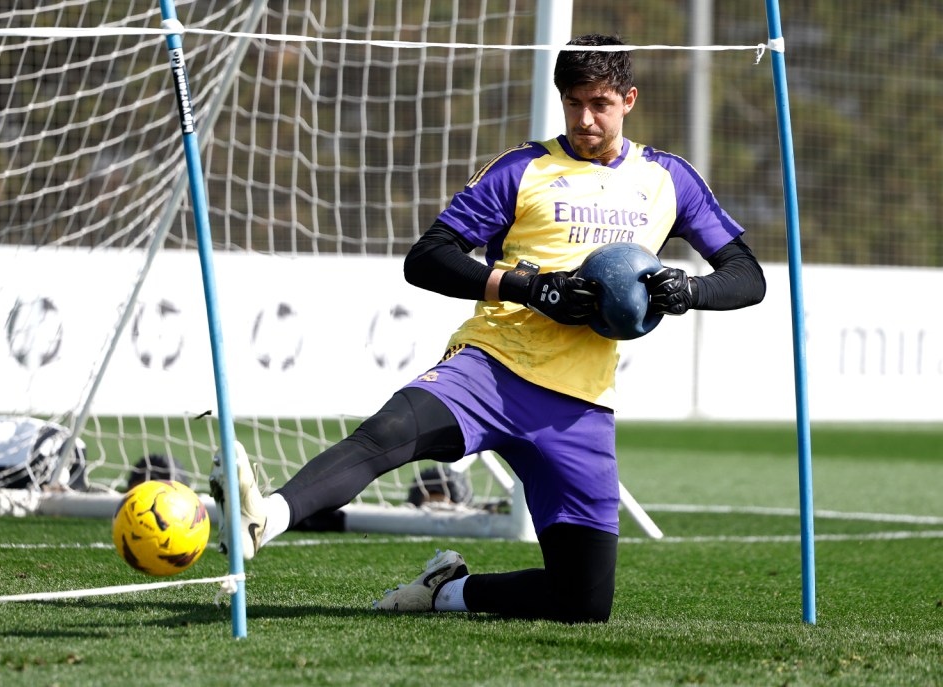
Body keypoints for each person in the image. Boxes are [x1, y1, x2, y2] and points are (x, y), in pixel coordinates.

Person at [210, 33, 765, 624]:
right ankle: (263, 518)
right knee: (386, 433)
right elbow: (427, 257)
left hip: (579, 406)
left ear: (628, 99)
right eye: (574, 103)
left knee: (583, 602)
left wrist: (688, 291)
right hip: (493, 367)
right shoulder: (522, 169)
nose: (586, 119)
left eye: (600, 103)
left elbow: (746, 276)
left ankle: (447, 590)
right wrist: (528, 286)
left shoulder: (668, 179)